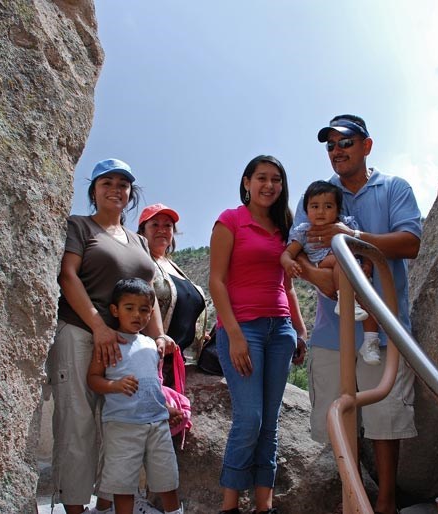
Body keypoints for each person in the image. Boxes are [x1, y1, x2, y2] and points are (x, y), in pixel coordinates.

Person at [295, 115, 422, 514]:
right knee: (337, 419)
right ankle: (350, 498)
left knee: (386, 419)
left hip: (383, 327)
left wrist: (353, 238)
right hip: (331, 330)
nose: (337, 150)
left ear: (367, 146)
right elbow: (300, 248)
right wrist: (319, 275)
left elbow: (410, 242)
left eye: (346, 142)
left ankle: (384, 502)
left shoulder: (394, 188)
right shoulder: (317, 195)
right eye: (330, 145)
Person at [45, 158, 174, 514]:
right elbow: (68, 276)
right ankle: (72, 507)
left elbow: (148, 291)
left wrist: (158, 335)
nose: (115, 189)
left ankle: (105, 506)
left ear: (131, 193)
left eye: (123, 184)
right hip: (81, 333)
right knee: (78, 422)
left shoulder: (138, 240)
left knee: (121, 425)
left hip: (127, 344)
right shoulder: (80, 226)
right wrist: (99, 326)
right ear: (94, 190)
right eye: (107, 183)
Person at [209, 155, 308, 514]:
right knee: (249, 418)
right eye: (262, 178)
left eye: (276, 179)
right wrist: (233, 334)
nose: (269, 185)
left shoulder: (285, 225)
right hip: (243, 329)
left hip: (280, 330)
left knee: (270, 420)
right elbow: (216, 281)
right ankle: (230, 506)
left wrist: (299, 328)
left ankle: (264, 507)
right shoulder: (230, 220)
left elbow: (290, 285)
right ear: (247, 182)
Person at [87, 278, 184, 514]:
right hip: (123, 425)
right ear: (115, 310)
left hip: (157, 424)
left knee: (167, 481)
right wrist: (115, 385)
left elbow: (152, 382)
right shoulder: (110, 344)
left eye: (143, 310)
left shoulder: (151, 345)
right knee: (123, 486)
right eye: (129, 308)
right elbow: (93, 379)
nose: (136, 315)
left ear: (151, 314)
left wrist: (166, 408)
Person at [280, 179, 383, 366]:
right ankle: (345, 298)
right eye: (315, 206)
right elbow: (288, 253)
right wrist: (288, 263)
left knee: (369, 305)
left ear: (337, 209)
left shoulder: (345, 225)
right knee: (340, 257)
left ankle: (370, 341)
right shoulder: (304, 232)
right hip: (326, 266)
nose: (321, 211)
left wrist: (367, 264)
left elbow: (363, 247)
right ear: (306, 210)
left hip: (354, 270)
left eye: (328, 206)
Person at [137, 203, 209, 387]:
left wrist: (199, 335)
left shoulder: (174, 267)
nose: (162, 230)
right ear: (142, 231)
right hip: (149, 360)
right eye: (155, 225)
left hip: (179, 364)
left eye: (167, 225)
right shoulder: (141, 262)